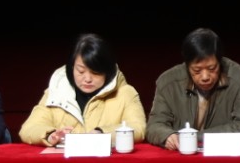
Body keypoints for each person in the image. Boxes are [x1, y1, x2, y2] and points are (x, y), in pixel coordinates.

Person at [19, 33, 147, 147]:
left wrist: (102, 133)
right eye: (80, 71)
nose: (87, 79)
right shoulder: (56, 92)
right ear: (71, 68)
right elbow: (28, 128)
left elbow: (138, 128)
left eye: (95, 72)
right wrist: (51, 135)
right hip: (64, 162)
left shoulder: (125, 93)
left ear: (107, 71)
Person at [148, 28, 240, 149]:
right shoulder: (168, 82)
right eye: (197, 70)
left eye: (212, 68)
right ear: (187, 65)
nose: (205, 77)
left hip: (223, 152)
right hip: (182, 153)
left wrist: (192, 137)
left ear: (220, 61)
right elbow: (154, 125)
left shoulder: (239, 78)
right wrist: (167, 135)